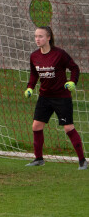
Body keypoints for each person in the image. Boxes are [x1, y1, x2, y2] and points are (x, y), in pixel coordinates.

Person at [24, 26, 86, 170]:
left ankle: (83, 161)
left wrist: (72, 82)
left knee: (68, 128)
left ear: (49, 38)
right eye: (35, 36)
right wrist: (30, 87)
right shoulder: (34, 56)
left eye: (40, 36)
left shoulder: (59, 54)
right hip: (44, 97)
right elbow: (34, 74)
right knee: (36, 126)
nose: (37, 39)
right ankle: (38, 159)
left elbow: (74, 68)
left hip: (61, 97)